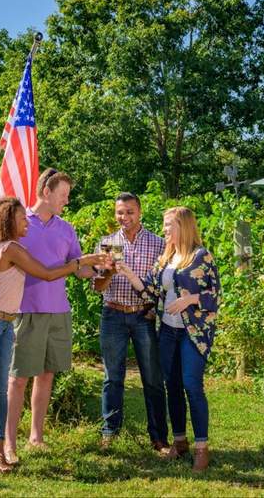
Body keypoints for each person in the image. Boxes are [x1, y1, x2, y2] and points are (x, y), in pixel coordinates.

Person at [0, 196, 105, 474]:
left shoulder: (4, 248)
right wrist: (80, 261)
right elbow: (46, 274)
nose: (27, 224)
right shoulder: (10, 249)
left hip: (5, 324)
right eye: (22, 219)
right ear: (9, 221)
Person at [116, 206, 220, 472]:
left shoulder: (201, 256)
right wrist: (128, 273)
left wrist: (190, 299)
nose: (164, 230)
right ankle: (180, 441)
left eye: (168, 225)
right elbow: (150, 292)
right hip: (168, 332)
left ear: (182, 226)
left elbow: (215, 296)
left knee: (192, 385)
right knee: (171, 386)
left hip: (193, 333)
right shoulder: (166, 258)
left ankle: (202, 448)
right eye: (164, 225)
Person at [4, 168, 96, 461]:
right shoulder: (20, 224)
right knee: (18, 378)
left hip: (58, 312)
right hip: (25, 310)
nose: (67, 201)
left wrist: (99, 267)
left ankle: (36, 437)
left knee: (46, 376)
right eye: (63, 195)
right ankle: (8, 443)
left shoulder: (66, 229)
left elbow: (78, 269)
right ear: (46, 192)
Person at [91, 192, 169, 453]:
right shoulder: (108, 244)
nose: (124, 217)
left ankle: (159, 437)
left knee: (153, 379)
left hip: (143, 316)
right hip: (113, 314)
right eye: (120, 212)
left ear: (140, 212)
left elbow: (161, 285)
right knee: (112, 377)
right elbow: (97, 287)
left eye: (129, 212)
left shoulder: (158, 244)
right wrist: (109, 273)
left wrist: (153, 309)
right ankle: (110, 432)